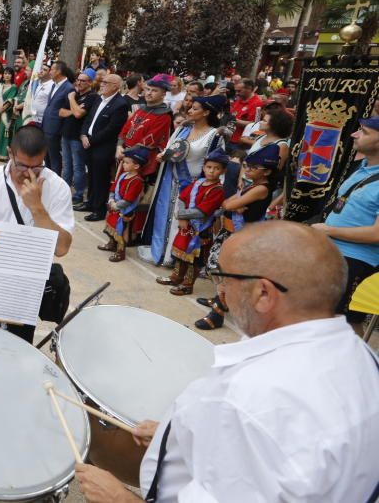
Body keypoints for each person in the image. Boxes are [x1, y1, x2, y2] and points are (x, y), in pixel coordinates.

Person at [75, 220, 379, 503]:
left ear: (263, 293)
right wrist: (181, 433)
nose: (219, 290)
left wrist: (121, 498)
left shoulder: (245, 399)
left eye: (223, 277)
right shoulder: (361, 358)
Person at [0, 126, 74, 343]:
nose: (28, 173)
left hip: (31, 270)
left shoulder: (57, 187)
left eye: (36, 167)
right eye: (21, 165)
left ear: (44, 157)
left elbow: (62, 248)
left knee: (20, 341)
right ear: (10, 153)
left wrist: (37, 207)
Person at [195, 143, 279, 330]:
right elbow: (227, 203)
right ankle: (220, 301)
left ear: (266, 172)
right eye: (247, 166)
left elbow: (229, 205)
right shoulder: (251, 186)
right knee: (217, 268)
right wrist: (232, 203)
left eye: (253, 168)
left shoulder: (261, 189)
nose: (247, 170)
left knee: (227, 273)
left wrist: (232, 203)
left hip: (242, 237)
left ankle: (217, 313)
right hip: (230, 233)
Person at [138, 95, 225, 266]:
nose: (190, 111)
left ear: (206, 112)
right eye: (190, 107)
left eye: (195, 108)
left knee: (183, 222)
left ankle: (178, 259)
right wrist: (163, 156)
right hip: (171, 181)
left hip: (192, 185)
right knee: (166, 218)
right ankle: (162, 252)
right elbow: (170, 149)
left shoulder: (214, 136)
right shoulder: (183, 129)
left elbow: (217, 163)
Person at [312, 116, 379, 325]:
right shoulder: (364, 167)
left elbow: (376, 234)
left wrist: (330, 231)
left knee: (343, 324)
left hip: (357, 261)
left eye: (365, 132)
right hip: (333, 254)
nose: (355, 134)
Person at [155, 149, 227, 294]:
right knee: (181, 253)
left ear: (222, 171)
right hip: (187, 226)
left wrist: (181, 215)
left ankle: (188, 285)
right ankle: (176, 277)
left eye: (216, 168)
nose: (212, 171)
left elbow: (201, 212)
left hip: (201, 229)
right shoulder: (197, 183)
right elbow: (182, 198)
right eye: (209, 167)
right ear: (203, 167)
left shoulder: (217, 190)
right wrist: (182, 218)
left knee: (194, 258)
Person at [80, 74, 130, 221]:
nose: (101, 84)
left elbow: (112, 129)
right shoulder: (98, 98)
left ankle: (99, 210)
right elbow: (88, 119)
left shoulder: (120, 104)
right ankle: (90, 203)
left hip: (103, 147)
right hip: (88, 143)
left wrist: (91, 140)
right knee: (91, 176)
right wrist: (83, 135)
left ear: (115, 86)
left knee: (100, 179)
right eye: (102, 82)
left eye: (106, 82)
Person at [115, 75, 174, 178]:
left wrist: (125, 152)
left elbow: (148, 142)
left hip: (141, 161)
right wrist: (119, 146)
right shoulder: (141, 109)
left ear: (163, 94)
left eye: (154, 90)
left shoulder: (164, 116)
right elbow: (125, 129)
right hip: (125, 157)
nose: (149, 93)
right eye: (147, 89)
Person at [99, 146, 148, 262]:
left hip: (125, 211)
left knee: (122, 232)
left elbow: (129, 200)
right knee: (111, 227)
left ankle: (120, 252)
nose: (124, 164)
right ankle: (111, 244)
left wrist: (116, 205)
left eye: (127, 163)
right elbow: (113, 188)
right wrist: (111, 200)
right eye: (124, 162)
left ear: (136, 166)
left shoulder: (137, 181)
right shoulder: (122, 176)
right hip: (115, 207)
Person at [59, 71, 98, 205]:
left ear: (90, 83)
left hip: (78, 137)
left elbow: (78, 115)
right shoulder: (75, 95)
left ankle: (79, 194)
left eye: (83, 80)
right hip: (66, 134)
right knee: (66, 166)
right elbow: (61, 112)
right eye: (78, 80)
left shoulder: (92, 97)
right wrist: (74, 109)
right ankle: (64, 191)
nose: (79, 83)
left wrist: (71, 100)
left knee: (78, 166)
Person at [38, 61, 75, 174]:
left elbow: (70, 110)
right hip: (46, 126)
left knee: (54, 158)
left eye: (52, 69)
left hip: (56, 129)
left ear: (59, 71)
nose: (50, 72)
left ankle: (55, 181)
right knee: (47, 156)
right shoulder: (54, 84)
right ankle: (47, 178)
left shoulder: (68, 87)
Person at [0, 67, 18, 161]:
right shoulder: (0, 85)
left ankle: (1, 154)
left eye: (9, 74)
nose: (7, 75)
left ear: (12, 75)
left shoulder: (13, 87)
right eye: (5, 73)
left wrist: (2, 109)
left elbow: (10, 100)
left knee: (3, 132)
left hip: (6, 114)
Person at [228, 77, 263, 151]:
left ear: (249, 89)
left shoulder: (258, 104)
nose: (237, 93)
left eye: (239, 91)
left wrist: (235, 121)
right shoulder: (239, 100)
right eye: (236, 91)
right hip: (230, 138)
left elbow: (257, 125)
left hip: (241, 143)